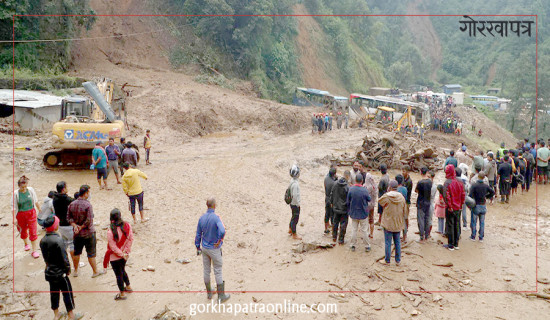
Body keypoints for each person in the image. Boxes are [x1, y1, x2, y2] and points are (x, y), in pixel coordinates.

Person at [40, 216, 82, 320]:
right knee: (67, 292)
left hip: (49, 271)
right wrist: (67, 269)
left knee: (53, 293)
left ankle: (56, 314)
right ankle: (71, 315)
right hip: (60, 272)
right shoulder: (58, 240)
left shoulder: (42, 240)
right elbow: (64, 257)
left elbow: (45, 257)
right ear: (55, 226)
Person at [195, 197, 230, 303]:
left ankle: (209, 293)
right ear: (214, 206)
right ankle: (221, 296)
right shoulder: (216, 218)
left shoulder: (201, 218)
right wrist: (219, 240)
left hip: (205, 248)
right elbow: (223, 230)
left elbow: (198, 234)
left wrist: (197, 246)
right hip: (214, 248)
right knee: (218, 271)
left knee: (206, 270)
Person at [67, 185, 105, 278]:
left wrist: (75, 226)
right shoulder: (88, 205)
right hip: (88, 233)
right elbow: (89, 220)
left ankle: (75, 271)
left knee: (77, 252)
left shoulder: (72, 204)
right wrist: (81, 227)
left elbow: (68, 218)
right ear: (86, 193)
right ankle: (95, 271)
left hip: (76, 233)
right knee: (91, 254)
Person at [104, 208, 134, 301]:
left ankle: (122, 293)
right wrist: (125, 252)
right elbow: (130, 239)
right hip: (125, 254)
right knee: (122, 270)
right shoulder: (127, 226)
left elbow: (112, 247)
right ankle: (128, 286)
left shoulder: (110, 231)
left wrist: (121, 254)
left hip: (115, 256)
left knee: (118, 275)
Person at [12, 175, 41, 258]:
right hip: (21, 215)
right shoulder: (15, 194)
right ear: (19, 186)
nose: (24, 189)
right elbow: (13, 207)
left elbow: (35, 200)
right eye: (22, 187)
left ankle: (34, 250)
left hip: (31, 213)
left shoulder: (31, 190)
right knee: (23, 230)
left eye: (25, 187)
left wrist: (39, 209)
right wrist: (14, 218)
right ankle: (26, 243)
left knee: (33, 231)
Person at [379, 180, 406, 266]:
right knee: (397, 241)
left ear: (389, 187)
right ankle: (398, 260)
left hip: (388, 222)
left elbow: (380, 202)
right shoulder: (401, 197)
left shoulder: (387, 196)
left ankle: (387, 260)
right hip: (397, 223)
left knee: (388, 242)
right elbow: (404, 210)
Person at [443, 164, 465, 251]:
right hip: (458, 207)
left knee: (450, 225)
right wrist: (461, 204)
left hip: (451, 207)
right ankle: (456, 244)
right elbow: (463, 194)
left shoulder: (447, 182)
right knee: (457, 224)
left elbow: (446, 196)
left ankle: (450, 244)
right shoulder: (460, 182)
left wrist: (449, 206)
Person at [346, 174, 371, 252]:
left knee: (354, 230)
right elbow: (369, 199)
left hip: (353, 213)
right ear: (362, 181)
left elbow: (348, 201)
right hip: (363, 213)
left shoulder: (351, 189)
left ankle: (352, 245)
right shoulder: (364, 190)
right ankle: (367, 246)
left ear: (355, 180)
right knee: (364, 230)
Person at [53, 181, 75, 265]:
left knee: (65, 244)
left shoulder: (55, 198)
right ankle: (75, 263)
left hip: (60, 225)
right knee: (72, 245)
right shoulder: (66, 199)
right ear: (63, 189)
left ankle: (65, 262)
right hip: (68, 225)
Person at [469, 172, 495, 242]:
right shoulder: (486, 186)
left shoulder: (474, 185)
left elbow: (470, 195)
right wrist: (487, 197)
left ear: (478, 177)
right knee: (482, 222)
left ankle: (473, 236)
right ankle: (481, 237)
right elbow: (492, 192)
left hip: (476, 205)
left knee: (474, 221)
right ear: (484, 178)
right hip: (483, 205)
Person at [331, 170, 350, 244]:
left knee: (335, 222)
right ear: (348, 176)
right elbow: (349, 199)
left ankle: (334, 237)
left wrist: (332, 204)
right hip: (344, 209)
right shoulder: (348, 187)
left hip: (336, 207)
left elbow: (331, 194)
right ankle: (341, 240)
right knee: (343, 224)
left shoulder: (335, 183)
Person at [415, 167, 433, 242]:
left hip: (420, 202)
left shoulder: (420, 182)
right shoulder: (430, 182)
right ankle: (426, 235)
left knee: (420, 219)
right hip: (427, 202)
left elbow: (416, 191)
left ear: (421, 172)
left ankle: (421, 236)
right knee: (426, 219)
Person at [288, 164, 301, 240]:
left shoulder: (292, 181)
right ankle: (294, 234)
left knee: (293, 216)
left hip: (291, 203)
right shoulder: (295, 184)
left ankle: (290, 229)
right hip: (295, 204)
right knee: (295, 218)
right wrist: (298, 204)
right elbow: (295, 196)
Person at [323, 166, 338, 234]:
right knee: (332, 215)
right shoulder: (334, 183)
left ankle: (326, 228)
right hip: (332, 200)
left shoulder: (326, 179)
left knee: (327, 213)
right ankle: (333, 230)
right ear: (334, 174)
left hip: (327, 197)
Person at [364, 173, 378, 239]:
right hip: (372, 205)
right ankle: (371, 234)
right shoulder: (374, 186)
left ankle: (366, 233)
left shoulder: (365, 186)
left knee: (365, 219)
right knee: (371, 220)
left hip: (366, 205)